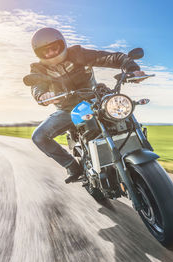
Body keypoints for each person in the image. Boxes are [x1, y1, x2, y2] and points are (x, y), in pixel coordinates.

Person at [28, 27, 146, 183]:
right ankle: (72, 166)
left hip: (95, 101)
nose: (50, 53)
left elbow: (110, 57)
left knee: (122, 109)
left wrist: (132, 69)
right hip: (67, 110)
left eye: (54, 48)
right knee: (39, 136)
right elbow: (37, 85)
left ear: (62, 44)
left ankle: (141, 149)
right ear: (38, 54)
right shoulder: (39, 69)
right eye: (45, 51)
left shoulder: (78, 54)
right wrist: (42, 95)